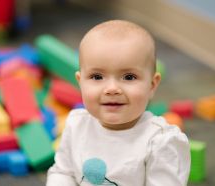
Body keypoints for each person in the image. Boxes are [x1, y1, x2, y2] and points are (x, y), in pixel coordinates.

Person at [46, 20, 190, 186]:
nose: (112, 89)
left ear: (152, 85)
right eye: (97, 77)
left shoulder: (159, 141)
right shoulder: (77, 124)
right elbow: (63, 172)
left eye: (129, 77)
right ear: (80, 82)